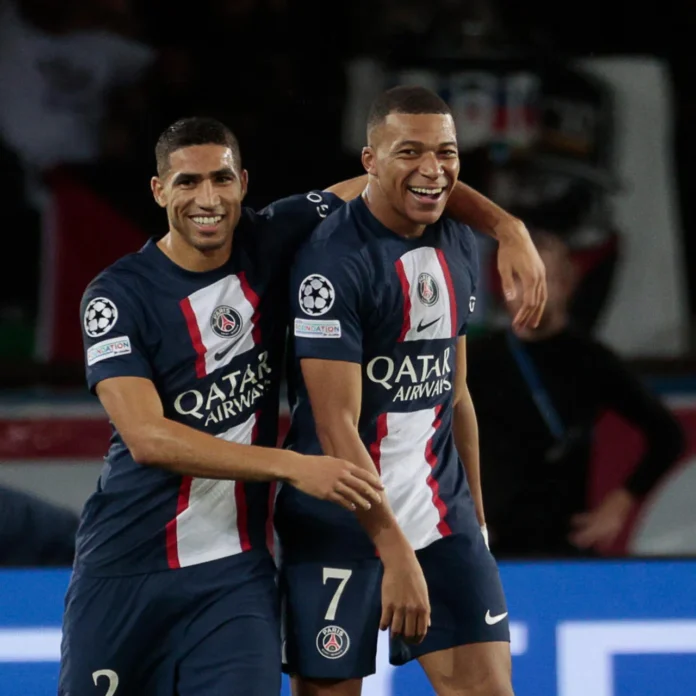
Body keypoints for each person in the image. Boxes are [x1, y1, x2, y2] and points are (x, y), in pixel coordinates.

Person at [59, 115, 544, 696]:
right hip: (128, 564)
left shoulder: (271, 237)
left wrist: (509, 228)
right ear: (160, 191)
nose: (207, 199)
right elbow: (148, 438)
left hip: (234, 575)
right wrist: (292, 465)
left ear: (243, 183)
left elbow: (409, 179)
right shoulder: (116, 297)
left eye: (221, 179)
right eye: (188, 183)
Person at [278, 86, 514, 696]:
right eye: (409, 151)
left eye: (446, 152)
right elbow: (336, 427)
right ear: (370, 161)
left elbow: (455, 393)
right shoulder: (331, 263)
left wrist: (477, 519)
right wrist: (393, 546)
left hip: (440, 516)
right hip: (339, 524)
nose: (432, 170)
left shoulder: (457, 240)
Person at [467, 230, 685, 557]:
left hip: (565, 545)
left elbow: (668, 435)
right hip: (489, 547)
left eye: (544, 279)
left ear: (567, 285)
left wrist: (620, 502)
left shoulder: (590, 360)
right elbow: (427, 437)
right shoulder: (475, 359)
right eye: (519, 278)